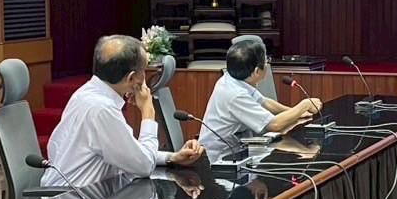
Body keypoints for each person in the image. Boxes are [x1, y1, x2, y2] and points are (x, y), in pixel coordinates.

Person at [43, 34, 205, 187]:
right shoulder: (102, 109)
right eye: (144, 70)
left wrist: (172, 157)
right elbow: (144, 166)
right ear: (132, 78)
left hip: (88, 194)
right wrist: (148, 112)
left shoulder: (87, 94)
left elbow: (130, 153)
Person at [198, 38, 322, 162]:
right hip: (221, 154)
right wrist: (304, 105)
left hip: (237, 146)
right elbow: (274, 125)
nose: (267, 64)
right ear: (257, 71)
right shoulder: (235, 95)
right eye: (266, 61)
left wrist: (294, 112)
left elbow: (264, 102)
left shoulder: (232, 78)